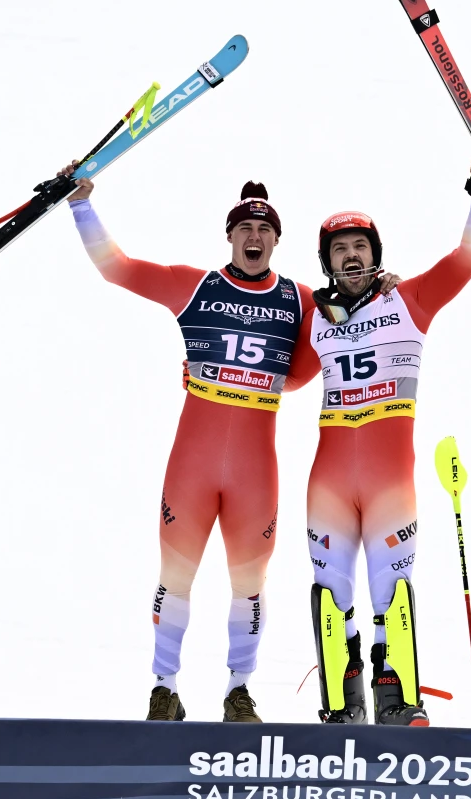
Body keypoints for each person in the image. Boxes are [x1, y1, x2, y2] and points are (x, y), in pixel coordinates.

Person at [63, 166, 301, 723]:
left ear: (275, 240)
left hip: (254, 473)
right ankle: (164, 689)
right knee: (175, 578)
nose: (254, 237)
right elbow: (116, 268)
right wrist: (81, 206)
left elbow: (333, 338)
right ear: (230, 235)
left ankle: (238, 693)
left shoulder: (297, 299)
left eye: (264, 230)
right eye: (244, 227)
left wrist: (382, 288)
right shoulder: (198, 287)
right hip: (192, 467)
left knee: (250, 586)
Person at [285, 149, 471, 725]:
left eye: (360, 247)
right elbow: (285, 381)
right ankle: (341, 704)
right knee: (331, 595)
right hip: (329, 479)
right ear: (328, 263)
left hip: (389, 478)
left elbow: (469, 257)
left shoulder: (407, 300)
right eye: (339, 250)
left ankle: (398, 701)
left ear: (375, 254)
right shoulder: (316, 315)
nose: (351, 256)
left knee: (394, 594)